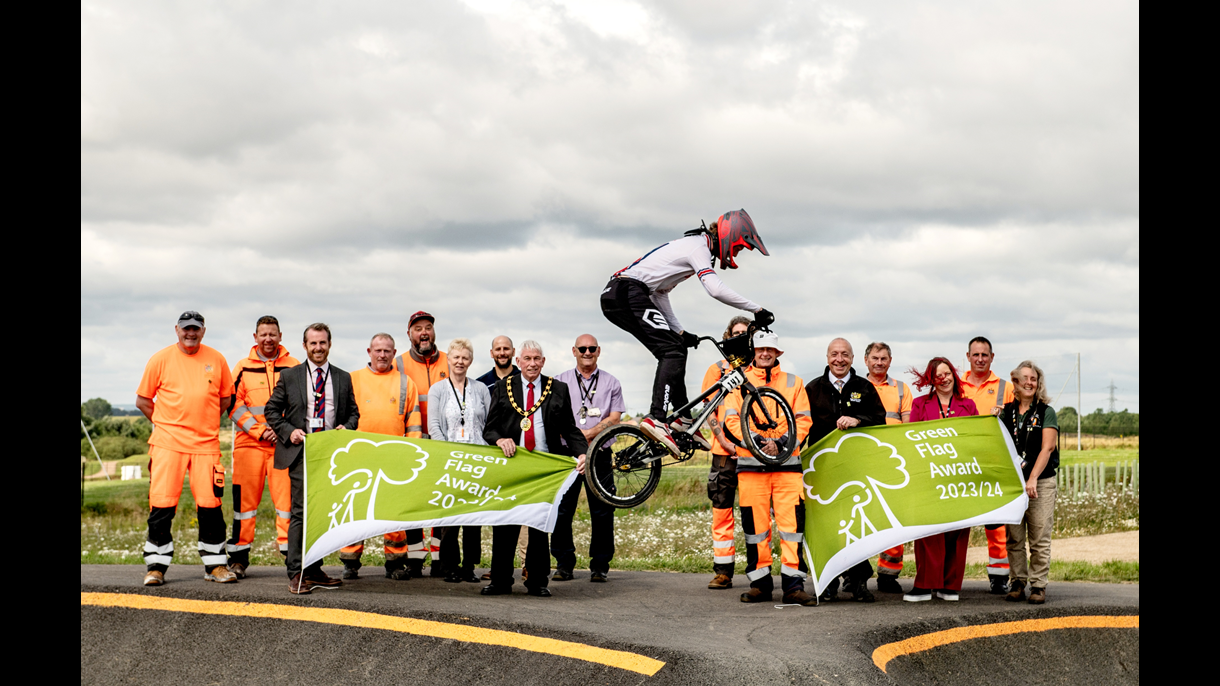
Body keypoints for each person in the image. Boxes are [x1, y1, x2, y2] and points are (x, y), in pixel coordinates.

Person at [600, 210, 773, 456]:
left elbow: (660, 293)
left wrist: (679, 331)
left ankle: (681, 419)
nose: (736, 254)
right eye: (738, 248)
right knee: (670, 351)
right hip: (626, 292)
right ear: (729, 237)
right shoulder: (698, 248)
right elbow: (714, 289)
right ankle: (657, 418)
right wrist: (757, 309)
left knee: (676, 346)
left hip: (623, 293)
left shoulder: (695, 247)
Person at [135, 311, 236, 586]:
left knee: (211, 506)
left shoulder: (216, 359)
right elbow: (143, 401)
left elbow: (225, 398)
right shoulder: (160, 358)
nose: (190, 333)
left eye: (196, 329)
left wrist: (204, 421)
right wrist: (167, 424)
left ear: (203, 331)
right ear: (177, 330)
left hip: (206, 446)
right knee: (162, 506)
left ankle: (215, 566)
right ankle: (156, 567)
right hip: (168, 445)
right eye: (186, 329)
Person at [481, 341, 588, 597]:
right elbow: (490, 428)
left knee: (540, 524)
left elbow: (570, 429)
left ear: (543, 361)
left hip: (544, 467)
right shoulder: (503, 387)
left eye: (536, 358)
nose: (532, 363)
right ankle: (500, 581)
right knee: (505, 523)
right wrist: (500, 439)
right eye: (527, 358)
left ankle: (538, 581)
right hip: (512, 466)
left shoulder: (558, 389)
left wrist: (582, 452)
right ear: (519, 362)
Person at [265, 323, 360, 595]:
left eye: (323, 343)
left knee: (323, 513)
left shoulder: (343, 377)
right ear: (305, 346)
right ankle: (297, 572)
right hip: (301, 452)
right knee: (301, 512)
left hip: (331, 456)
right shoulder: (290, 376)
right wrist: (287, 431)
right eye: (313, 343)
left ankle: (315, 568)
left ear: (329, 344)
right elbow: (272, 410)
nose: (318, 348)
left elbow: (353, 413)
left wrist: (347, 428)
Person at [723, 331, 813, 605]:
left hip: (787, 469)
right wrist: (761, 443)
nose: (765, 354)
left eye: (770, 350)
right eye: (760, 349)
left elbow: (804, 421)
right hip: (751, 470)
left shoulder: (794, 383)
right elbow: (731, 421)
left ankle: (793, 586)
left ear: (777, 354)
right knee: (755, 529)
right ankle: (760, 585)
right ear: (754, 351)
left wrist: (782, 444)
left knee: (792, 529)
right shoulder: (738, 383)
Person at [804, 337, 886, 602]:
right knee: (827, 527)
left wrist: (858, 420)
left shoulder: (865, 387)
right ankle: (828, 581)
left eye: (845, 354)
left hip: (856, 470)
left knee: (857, 525)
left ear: (853, 358)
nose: (839, 359)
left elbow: (880, 421)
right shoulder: (813, 389)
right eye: (834, 354)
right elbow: (803, 426)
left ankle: (859, 581)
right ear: (827, 357)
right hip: (823, 472)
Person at [340, 333, 423, 581]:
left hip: (394, 459)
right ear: (369, 351)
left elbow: (414, 423)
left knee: (393, 515)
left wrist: (410, 455)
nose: (382, 355)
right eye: (378, 350)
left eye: (387, 351)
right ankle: (350, 562)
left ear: (394, 352)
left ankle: (395, 563)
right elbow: (343, 419)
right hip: (359, 458)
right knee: (356, 511)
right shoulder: (352, 380)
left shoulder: (405, 382)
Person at [226, 315, 300, 577]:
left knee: (287, 506)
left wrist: (281, 431)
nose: (268, 339)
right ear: (255, 337)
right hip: (249, 446)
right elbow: (233, 405)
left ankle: (293, 561)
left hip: (284, 446)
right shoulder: (242, 367)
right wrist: (259, 430)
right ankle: (237, 559)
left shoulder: (294, 365)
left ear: (281, 336)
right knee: (244, 507)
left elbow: (300, 403)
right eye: (263, 334)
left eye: (273, 334)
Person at [551, 334, 626, 582]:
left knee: (603, 511)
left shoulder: (611, 382)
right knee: (563, 510)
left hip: (600, 453)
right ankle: (563, 564)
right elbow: (553, 418)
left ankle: (600, 566)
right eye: (582, 348)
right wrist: (575, 439)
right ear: (574, 351)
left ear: (598, 351)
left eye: (591, 348)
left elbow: (615, 418)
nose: (587, 352)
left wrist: (588, 434)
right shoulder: (560, 381)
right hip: (567, 455)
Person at [903, 357, 978, 603]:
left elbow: (976, 439)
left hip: (960, 476)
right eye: (938, 375)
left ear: (954, 376)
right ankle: (925, 585)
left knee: (957, 531)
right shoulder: (919, 404)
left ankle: (950, 586)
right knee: (927, 531)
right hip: (929, 478)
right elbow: (912, 439)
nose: (944, 379)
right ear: (931, 380)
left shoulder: (969, 406)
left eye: (947, 373)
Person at [428, 338, 492, 583]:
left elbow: (487, 423)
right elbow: (434, 425)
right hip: (450, 460)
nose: (460, 362)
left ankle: (469, 566)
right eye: (456, 357)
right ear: (449, 359)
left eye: (465, 357)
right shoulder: (438, 389)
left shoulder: (481, 389)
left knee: (473, 518)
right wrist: (447, 454)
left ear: (471, 361)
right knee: (450, 516)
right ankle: (449, 566)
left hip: (476, 459)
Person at [394, 311, 450, 577]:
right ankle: (415, 559)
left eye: (428, 327)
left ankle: (439, 559)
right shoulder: (398, 364)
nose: (424, 332)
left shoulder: (450, 362)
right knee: (414, 504)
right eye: (418, 329)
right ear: (409, 334)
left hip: (442, 446)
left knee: (440, 503)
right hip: (412, 444)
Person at [1000, 361, 1060, 605]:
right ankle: (1017, 582)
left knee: (1039, 536)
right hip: (1013, 483)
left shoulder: (1047, 412)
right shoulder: (1005, 412)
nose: (1029, 382)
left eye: (1033, 379)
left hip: (1041, 482)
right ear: (1014, 382)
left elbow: (1048, 448)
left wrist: (1033, 478)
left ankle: (1038, 585)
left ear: (1038, 383)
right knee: (1014, 536)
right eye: (1023, 378)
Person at [960, 336, 1016, 594]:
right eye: (976, 355)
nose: (980, 359)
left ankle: (998, 575)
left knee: (996, 522)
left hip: (993, 463)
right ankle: (952, 577)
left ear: (992, 357)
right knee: (959, 522)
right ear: (968, 357)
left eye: (985, 355)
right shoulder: (957, 384)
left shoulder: (1006, 387)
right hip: (961, 464)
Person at [703, 316, 751, 590]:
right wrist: (723, 439)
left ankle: (758, 569)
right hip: (723, 453)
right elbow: (709, 409)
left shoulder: (757, 367)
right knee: (722, 512)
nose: (740, 336)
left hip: (751, 453)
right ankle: (723, 571)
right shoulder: (717, 369)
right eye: (736, 333)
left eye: (745, 333)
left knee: (751, 514)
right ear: (728, 336)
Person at [864, 341, 913, 594]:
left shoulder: (902, 390)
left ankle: (888, 574)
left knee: (894, 519)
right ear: (866, 361)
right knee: (861, 518)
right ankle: (857, 575)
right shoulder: (856, 387)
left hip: (894, 462)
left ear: (890, 361)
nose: (879, 362)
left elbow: (907, 427)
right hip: (863, 461)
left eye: (884, 358)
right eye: (875, 358)